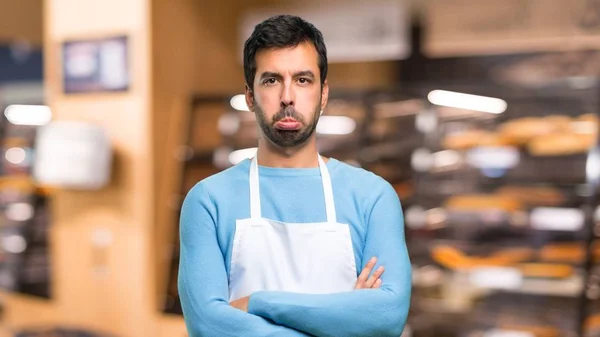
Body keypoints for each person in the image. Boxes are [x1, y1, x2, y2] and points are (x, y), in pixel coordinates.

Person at [178, 14, 411, 337]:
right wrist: (344, 322)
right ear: (250, 96)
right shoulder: (208, 201)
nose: (288, 96)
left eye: (303, 79)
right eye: (272, 80)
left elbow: (386, 317)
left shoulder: (372, 196)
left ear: (323, 93)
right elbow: (208, 327)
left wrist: (259, 302)